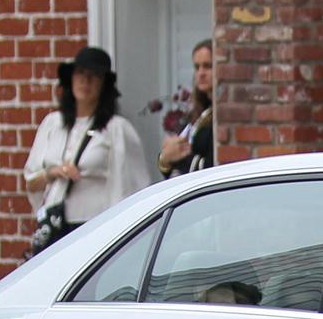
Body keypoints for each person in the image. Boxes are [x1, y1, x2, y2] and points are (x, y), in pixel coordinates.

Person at [23, 46, 151, 248]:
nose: (86, 81)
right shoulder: (52, 124)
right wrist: (55, 172)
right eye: (80, 74)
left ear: (104, 84)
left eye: (94, 76)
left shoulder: (116, 129)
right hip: (55, 224)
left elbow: (132, 189)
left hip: (94, 226)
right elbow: (31, 183)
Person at [158, 39, 214, 178]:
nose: (201, 73)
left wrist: (179, 156)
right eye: (197, 67)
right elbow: (170, 162)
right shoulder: (196, 113)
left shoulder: (222, 116)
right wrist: (165, 159)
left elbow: (213, 167)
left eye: (207, 66)